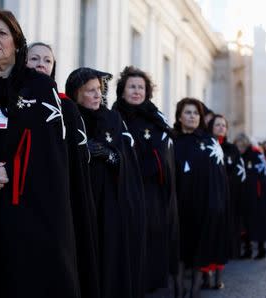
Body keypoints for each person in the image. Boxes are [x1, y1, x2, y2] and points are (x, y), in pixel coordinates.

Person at [0, 10, 97, 298]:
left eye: (2, 33)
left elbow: (50, 150)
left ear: (16, 41)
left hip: (27, 212)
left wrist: (8, 173)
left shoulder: (40, 87)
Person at [26, 43, 100, 298]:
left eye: (47, 60)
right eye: (34, 58)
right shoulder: (12, 98)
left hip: (59, 196)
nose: (40, 64)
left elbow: (78, 156)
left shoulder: (67, 106)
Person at [65, 67, 146, 298]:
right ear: (76, 93)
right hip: (80, 199)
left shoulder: (112, 117)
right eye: (90, 91)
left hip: (110, 202)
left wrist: (108, 154)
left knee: (108, 259)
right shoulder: (70, 118)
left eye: (98, 90)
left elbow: (125, 158)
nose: (97, 95)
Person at [112, 66, 179, 297]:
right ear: (122, 91)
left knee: (152, 241)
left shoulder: (156, 118)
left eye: (141, 87)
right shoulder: (113, 117)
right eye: (132, 86)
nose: (137, 91)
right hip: (125, 191)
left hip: (153, 193)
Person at [173, 98, 228, 298]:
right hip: (177, 207)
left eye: (196, 113)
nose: (193, 116)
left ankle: (195, 291)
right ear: (180, 116)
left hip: (202, 206)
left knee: (198, 252)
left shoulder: (209, 142)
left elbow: (218, 179)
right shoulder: (171, 141)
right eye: (188, 112)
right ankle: (178, 292)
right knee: (178, 253)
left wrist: (216, 205)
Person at [207, 114, 246, 287]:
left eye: (224, 125)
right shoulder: (205, 145)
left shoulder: (232, 149)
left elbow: (239, 173)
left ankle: (218, 278)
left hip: (227, 199)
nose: (221, 127)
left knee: (221, 238)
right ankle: (205, 275)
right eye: (218, 124)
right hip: (207, 199)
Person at [234, 133, 266, 260]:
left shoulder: (256, 155)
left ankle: (261, 248)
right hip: (244, 194)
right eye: (237, 145)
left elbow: (264, 174)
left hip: (257, 195)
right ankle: (248, 249)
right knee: (246, 223)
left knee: (258, 222)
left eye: (241, 145)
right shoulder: (240, 156)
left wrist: (260, 192)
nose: (239, 148)